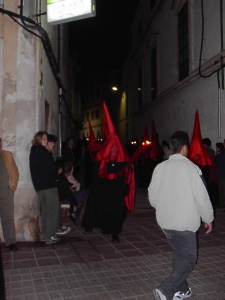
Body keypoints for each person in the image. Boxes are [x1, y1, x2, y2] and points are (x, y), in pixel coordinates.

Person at [148, 131, 214, 300]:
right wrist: (208, 218)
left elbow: (152, 196)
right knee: (190, 259)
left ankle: (182, 291)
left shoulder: (160, 167)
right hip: (184, 223)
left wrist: (163, 207)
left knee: (180, 254)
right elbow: (202, 197)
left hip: (165, 222)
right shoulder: (191, 169)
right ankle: (166, 289)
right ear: (185, 148)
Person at [29, 131, 66, 245]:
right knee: (51, 211)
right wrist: (57, 171)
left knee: (45, 211)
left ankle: (45, 235)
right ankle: (50, 235)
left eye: (46, 139)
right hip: (48, 186)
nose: (46, 141)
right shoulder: (42, 151)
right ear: (39, 139)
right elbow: (50, 169)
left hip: (41, 186)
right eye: (44, 139)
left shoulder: (35, 151)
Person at [0, 137, 19, 251]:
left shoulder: (7, 155)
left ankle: (11, 242)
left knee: (8, 218)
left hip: (6, 193)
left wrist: (11, 189)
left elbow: (15, 173)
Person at [215, 142, 225, 208]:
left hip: (222, 174)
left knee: (222, 190)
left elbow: (218, 161)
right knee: (221, 190)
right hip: (221, 174)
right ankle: (222, 204)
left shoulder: (221, 154)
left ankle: (223, 204)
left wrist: (217, 154)